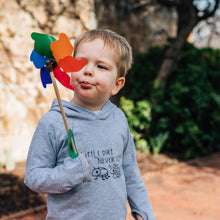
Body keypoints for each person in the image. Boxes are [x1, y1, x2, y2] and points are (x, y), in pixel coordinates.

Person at [24, 29, 156, 220]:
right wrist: (68, 174)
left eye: (101, 66)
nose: (87, 70)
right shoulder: (53, 122)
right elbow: (33, 177)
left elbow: (130, 172)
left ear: (117, 85)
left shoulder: (118, 119)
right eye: (81, 62)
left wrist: (144, 212)